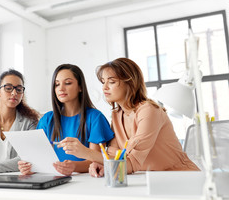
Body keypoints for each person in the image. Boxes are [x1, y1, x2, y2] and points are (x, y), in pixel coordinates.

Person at [60, 58, 199, 177]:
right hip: (149, 179)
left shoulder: (149, 111)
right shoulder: (116, 115)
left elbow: (131, 163)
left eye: (112, 82)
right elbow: (114, 156)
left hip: (181, 177)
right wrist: (100, 164)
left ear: (130, 83)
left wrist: (87, 153)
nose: (104, 88)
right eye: (103, 82)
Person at [18, 64, 114, 176]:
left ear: (80, 87)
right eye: (57, 84)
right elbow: (39, 158)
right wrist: (30, 167)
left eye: (68, 83)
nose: (61, 88)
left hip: (86, 181)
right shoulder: (47, 120)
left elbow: (96, 160)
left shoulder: (95, 117)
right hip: (53, 179)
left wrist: (73, 167)